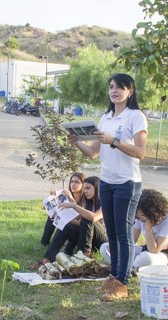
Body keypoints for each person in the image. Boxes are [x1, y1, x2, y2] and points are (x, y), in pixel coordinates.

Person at [69, 73, 148, 301]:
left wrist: (114, 141)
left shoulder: (136, 117)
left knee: (124, 235)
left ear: (130, 91)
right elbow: (93, 152)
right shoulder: (105, 118)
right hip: (107, 183)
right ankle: (113, 278)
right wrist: (77, 143)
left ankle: (122, 284)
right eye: (111, 87)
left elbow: (140, 152)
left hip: (127, 183)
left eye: (120, 87)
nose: (114, 91)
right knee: (112, 234)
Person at [32, 176, 107, 268]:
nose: (85, 191)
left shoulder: (106, 202)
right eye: (84, 189)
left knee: (87, 218)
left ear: (97, 187)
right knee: (67, 226)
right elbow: (79, 220)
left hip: (104, 241)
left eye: (88, 188)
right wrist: (61, 217)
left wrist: (73, 205)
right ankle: (47, 260)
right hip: (88, 237)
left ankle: (84, 256)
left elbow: (93, 218)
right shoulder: (87, 202)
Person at [101, 189, 168, 271]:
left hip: (165, 255)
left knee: (146, 258)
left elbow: (154, 250)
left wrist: (148, 226)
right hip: (146, 249)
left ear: (152, 212)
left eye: (142, 215)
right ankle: (129, 266)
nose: (140, 218)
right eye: (138, 216)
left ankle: (130, 268)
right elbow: (131, 241)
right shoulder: (140, 217)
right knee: (106, 248)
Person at [40, 172, 85, 247]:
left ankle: (58, 243)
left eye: (77, 182)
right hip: (65, 221)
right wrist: (53, 196)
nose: (73, 184)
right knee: (52, 216)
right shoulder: (65, 195)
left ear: (83, 185)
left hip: (76, 228)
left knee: (60, 219)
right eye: (72, 182)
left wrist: (71, 198)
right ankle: (44, 242)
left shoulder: (84, 199)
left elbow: (79, 217)